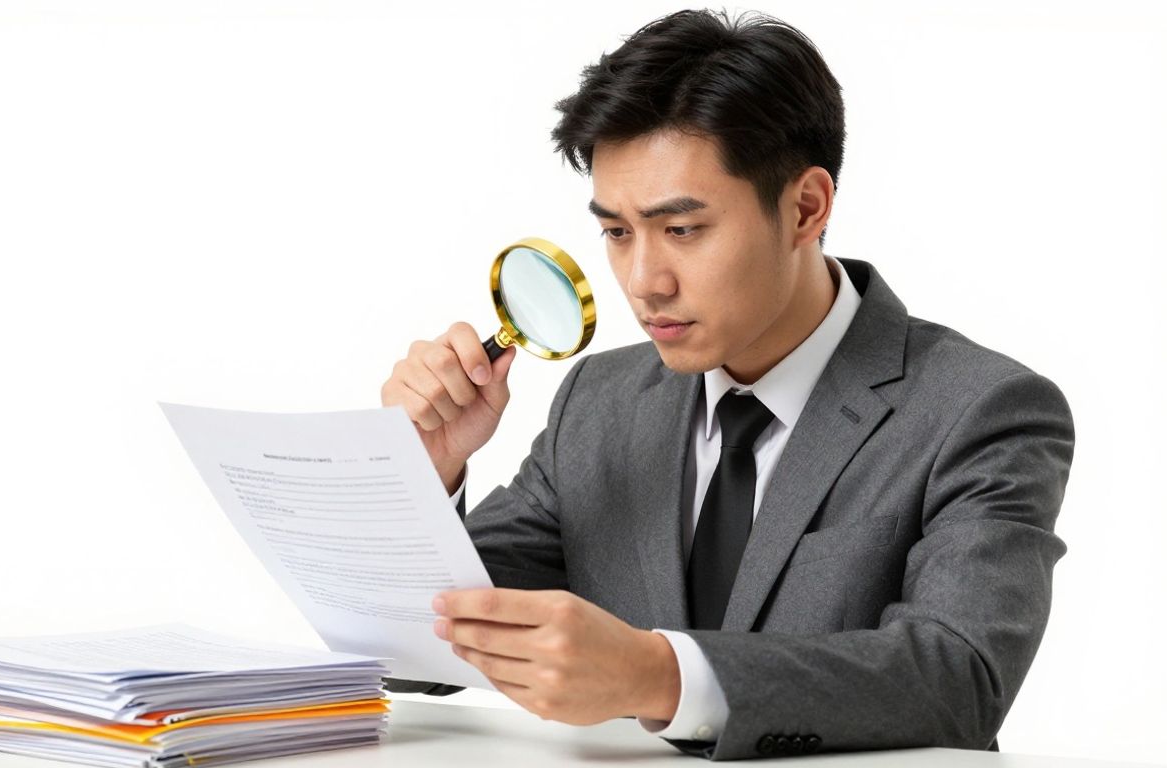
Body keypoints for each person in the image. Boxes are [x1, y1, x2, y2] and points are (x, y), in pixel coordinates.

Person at [378, 8, 1074, 761]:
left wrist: (658, 676)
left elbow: (960, 678)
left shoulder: (983, 410)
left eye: (682, 230)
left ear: (806, 208)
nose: (644, 281)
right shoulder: (599, 401)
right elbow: (415, 654)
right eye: (617, 232)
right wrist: (424, 473)